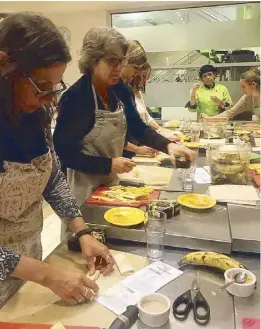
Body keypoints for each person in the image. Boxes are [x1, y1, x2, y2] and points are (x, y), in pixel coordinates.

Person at [0, 13, 114, 308]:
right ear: (6, 69)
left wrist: (82, 231)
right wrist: (48, 275)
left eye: (55, 86)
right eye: (41, 85)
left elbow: (50, 178)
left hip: (30, 266)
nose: (49, 97)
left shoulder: (34, 115)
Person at [54, 28, 196, 207]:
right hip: (84, 188)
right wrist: (108, 165)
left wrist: (168, 146)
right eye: (112, 61)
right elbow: (64, 154)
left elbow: (137, 127)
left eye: (122, 61)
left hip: (112, 184)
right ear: (92, 60)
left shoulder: (120, 89)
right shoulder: (76, 98)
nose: (119, 69)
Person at [130, 62, 160, 130]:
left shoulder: (139, 93)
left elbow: (147, 117)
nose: (145, 80)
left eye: (147, 77)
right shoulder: (126, 93)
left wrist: (161, 130)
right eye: (143, 76)